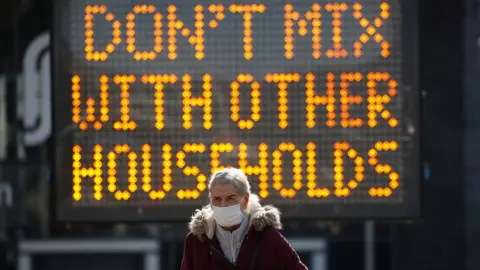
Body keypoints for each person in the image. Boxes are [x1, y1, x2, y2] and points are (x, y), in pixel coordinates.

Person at [180, 167, 308, 270]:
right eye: (217, 199)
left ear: (245, 200)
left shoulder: (267, 237)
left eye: (230, 198)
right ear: (210, 199)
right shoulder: (196, 242)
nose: (223, 205)